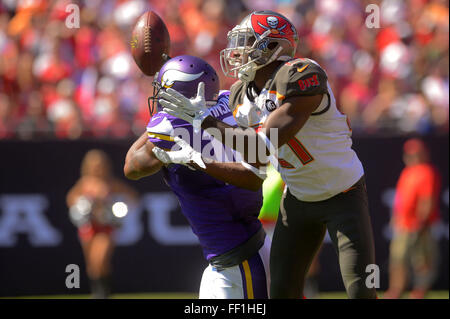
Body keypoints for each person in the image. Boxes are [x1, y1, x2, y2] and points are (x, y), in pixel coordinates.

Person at [158, 10, 377, 299]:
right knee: (281, 291)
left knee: (362, 290)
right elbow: (256, 164)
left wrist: (207, 122)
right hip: (298, 198)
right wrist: (197, 158)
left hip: (343, 194)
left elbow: (264, 145)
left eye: (246, 42)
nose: (236, 51)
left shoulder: (302, 74)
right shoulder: (240, 95)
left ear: (273, 46)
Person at [124, 55, 270, 299]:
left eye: (165, 92)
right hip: (242, 248)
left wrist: (158, 122)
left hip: (238, 259)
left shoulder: (171, 126)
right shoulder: (229, 100)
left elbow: (132, 167)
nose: (161, 98)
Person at [67, 149, 137, 298]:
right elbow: (70, 198)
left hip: (106, 227)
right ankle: (97, 292)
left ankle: (103, 292)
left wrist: (119, 209)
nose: (97, 169)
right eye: (94, 165)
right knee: (92, 264)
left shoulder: (111, 183)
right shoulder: (85, 183)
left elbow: (132, 196)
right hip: (88, 226)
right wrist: (80, 206)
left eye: (100, 165)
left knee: (101, 259)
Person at [385, 138, 441, 299]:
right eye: (410, 154)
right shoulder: (407, 172)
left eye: (416, 153)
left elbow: (427, 199)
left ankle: (419, 291)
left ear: (424, 154)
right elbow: (401, 200)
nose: (413, 157)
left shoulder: (427, 171)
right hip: (403, 224)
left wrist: (422, 222)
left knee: (422, 260)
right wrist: (396, 218)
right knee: (398, 258)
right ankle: (396, 290)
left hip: (420, 225)